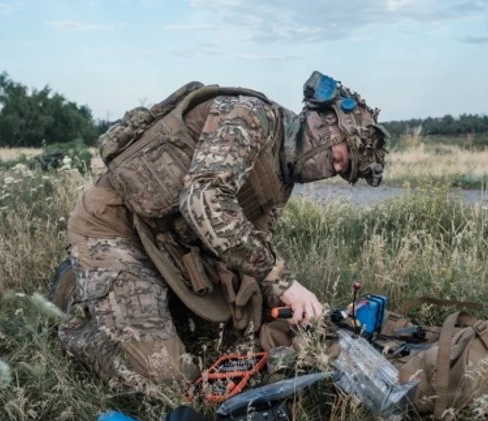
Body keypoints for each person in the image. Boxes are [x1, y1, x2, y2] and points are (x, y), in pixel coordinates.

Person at [51, 72, 389, 388]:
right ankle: (79, 313)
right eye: (338, 159)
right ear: (325, 122)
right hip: (115, 227)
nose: (333, 171)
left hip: (170, 248)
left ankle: (130, 298)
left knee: (240, 328)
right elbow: (203, 199)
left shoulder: (282, 176)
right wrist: (285, 283)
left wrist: (300, 311)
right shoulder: (250, 117)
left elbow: (251, 246)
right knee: (167, 377)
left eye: (341, 171)